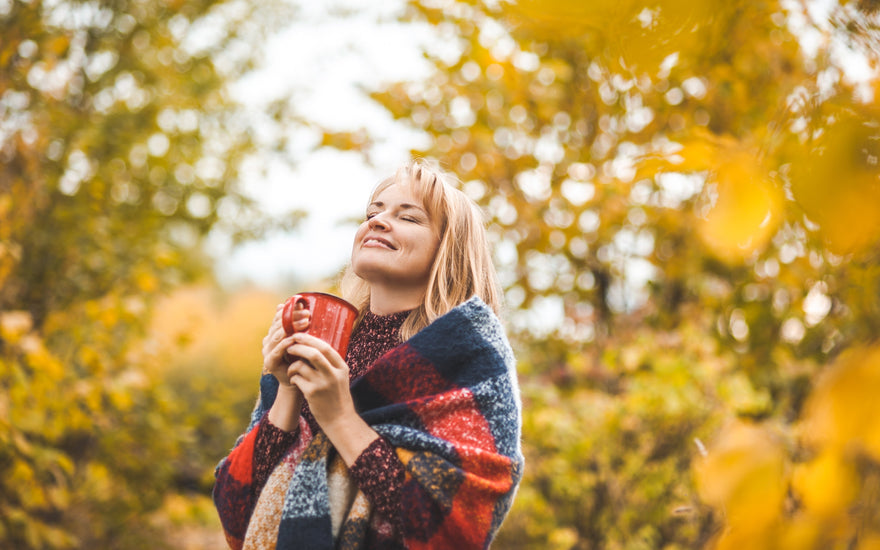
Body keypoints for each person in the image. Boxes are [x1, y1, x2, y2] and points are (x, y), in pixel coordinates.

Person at [213, 160, 523, 550]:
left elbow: (456, 533)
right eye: (372, 213)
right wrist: (287, 390)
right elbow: (236, 512)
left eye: (407, 217)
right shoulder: (324, 343)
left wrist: (339, 417)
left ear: (449, 249)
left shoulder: (470, 355)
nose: (377, 221)